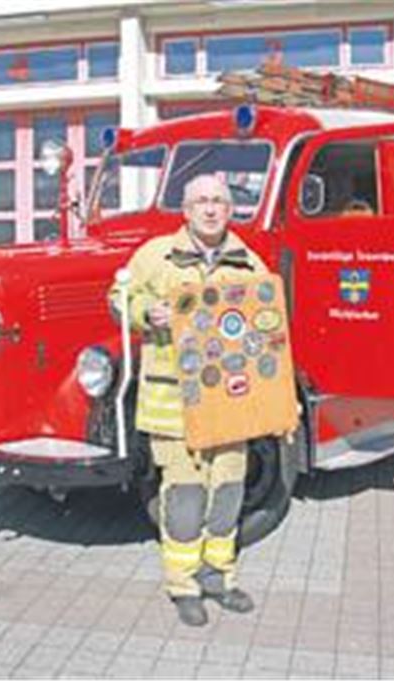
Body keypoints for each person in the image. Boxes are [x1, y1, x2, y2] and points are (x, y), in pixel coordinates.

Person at [108, 173, 268, 626]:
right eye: (201, 202)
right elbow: (118, 298)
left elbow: (267, 328)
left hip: (229, 405)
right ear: (186, 210)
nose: (210, 209)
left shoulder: (248, 263)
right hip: (172, 403)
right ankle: (183, 585)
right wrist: (146, 311)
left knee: (229, 491)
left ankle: (220, 577)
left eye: (219, 201)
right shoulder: (155, 256)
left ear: (230, 210)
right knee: (185, 497)